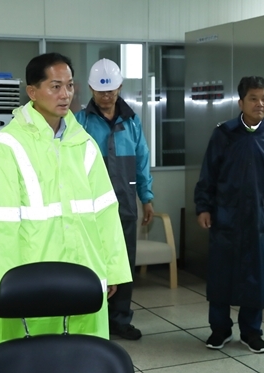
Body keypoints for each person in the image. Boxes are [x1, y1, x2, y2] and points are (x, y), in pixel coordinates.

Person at [0, 52, 132, 347]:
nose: (65, 95)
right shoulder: (5, 147)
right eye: (55, 86)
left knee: (84, 357)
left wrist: (111, 270)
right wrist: (4, 291)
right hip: (32, 283)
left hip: (84, 275)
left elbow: (105, 213)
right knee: (34, 358)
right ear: (32, 91)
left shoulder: (83, 143)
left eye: (70, 86)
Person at [194, 76, 264, 353]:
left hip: (260, 220)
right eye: (254, 98)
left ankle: (251, 331)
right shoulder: (224, 134)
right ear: (241, 102)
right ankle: (219, 330)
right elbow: (208, 175)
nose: (260, 104)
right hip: (226, 219)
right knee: (221, 277)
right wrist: (203, 207)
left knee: (255, 279)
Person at [75, 58, 154, 340]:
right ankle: (93, 320)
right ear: (91, 90)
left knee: (123, 263)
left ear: (119, 88)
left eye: (110, 91)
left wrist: (146, 197)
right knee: (93, 262)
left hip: (124, 207)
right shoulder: (80, 122)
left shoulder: (131, 122)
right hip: (90, 209)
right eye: (100, 91)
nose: (106, 97)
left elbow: (142, 159)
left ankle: (121, 319)